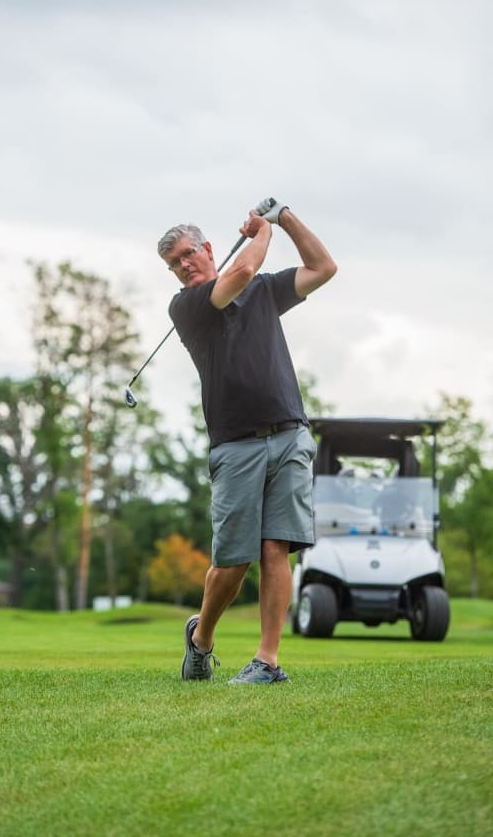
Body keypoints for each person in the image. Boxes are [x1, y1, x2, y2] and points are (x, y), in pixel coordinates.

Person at [157, 198, 337, 684]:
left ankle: (268, 661)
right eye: (173, 263)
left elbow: (323, 267)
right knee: (233, 561)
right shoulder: (188, 305)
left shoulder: (265, 290)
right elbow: (235, 277)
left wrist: (285, 218)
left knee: (277, 548)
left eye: (187, 254)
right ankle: (201, 639)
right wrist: (263, 233)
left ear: (207, 247)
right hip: (235, 445)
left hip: (289, 433)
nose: (183, 265)